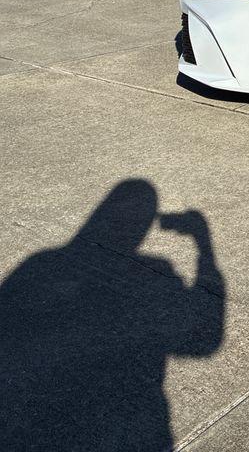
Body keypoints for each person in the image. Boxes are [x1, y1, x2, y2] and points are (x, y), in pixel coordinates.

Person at [0, 179, 224, 451]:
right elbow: (203, 342)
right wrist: (202, 241)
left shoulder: (42, 262)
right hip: (136, 427)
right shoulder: (156, 269)